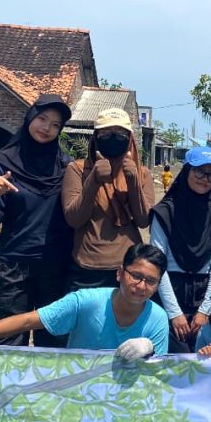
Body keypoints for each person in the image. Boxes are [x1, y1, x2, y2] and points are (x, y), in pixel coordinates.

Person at [0, 243, 170, 357]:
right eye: (136, 276)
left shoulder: (158, 318)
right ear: (120, 273)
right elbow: (29, 320)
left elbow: (158, 374)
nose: (141, 286)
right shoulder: (86, 302)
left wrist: (149, 349)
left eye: (150, 281)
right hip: (78, 388)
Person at [0, 94, 74, 348]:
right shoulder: (1, 163)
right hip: (14, 266)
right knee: (6, 341)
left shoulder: (67, 167)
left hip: (55, 267)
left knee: (54, 341)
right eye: (42, 119)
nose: (47, 128)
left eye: (55, 125)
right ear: (30, 116)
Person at [62, 108, 154, 290]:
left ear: (130, 139)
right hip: (87, 269)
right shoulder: (78, 169)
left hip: (129, 269)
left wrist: (133, 181)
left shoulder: (141, 173)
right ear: (95, 137)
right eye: (105, 133)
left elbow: (144, 220)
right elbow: (74, 219)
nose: (113, 137)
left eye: (120, 133)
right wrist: (93, 180)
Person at [152, 147, 211, 353]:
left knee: (207, 359)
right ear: (187, 170)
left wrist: (205, 311)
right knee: (174, 359)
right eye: (199, 172)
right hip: (169, 291)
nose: (205, 179)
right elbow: (157, 266)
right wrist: (174, 313)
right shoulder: (164, 213)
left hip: (206, 293)